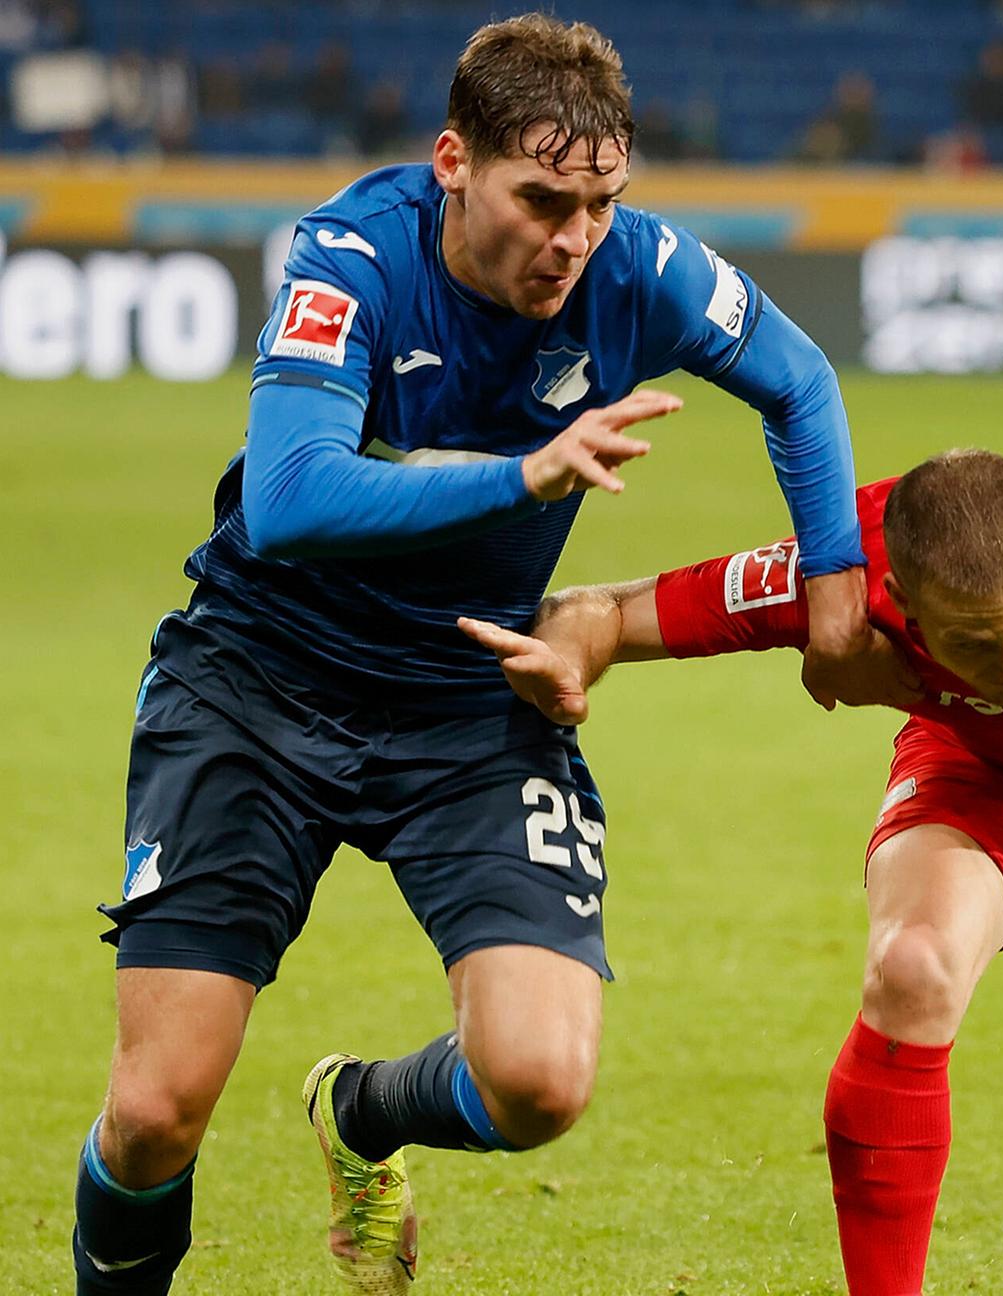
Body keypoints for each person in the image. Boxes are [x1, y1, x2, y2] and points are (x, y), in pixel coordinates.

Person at [71, 13, 910, 1295]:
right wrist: (523, 477)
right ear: (454, 160)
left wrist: (835, 581)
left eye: (600, 203)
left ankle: (359, 1114)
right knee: (154, 1114)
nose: (574, 239)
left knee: (540, 1082)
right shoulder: (353, 252)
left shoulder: (645, 270)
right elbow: (292, 501)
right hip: (257, 683)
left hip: (473, 694)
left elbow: (801, 385)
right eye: (542, 199)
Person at [462, 449, 1003, 1296]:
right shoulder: (841, 572)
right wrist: (567, 656)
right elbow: (602, 610)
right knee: (912, 969)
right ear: (898, 600)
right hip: (980, 769)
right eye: (973, 643)